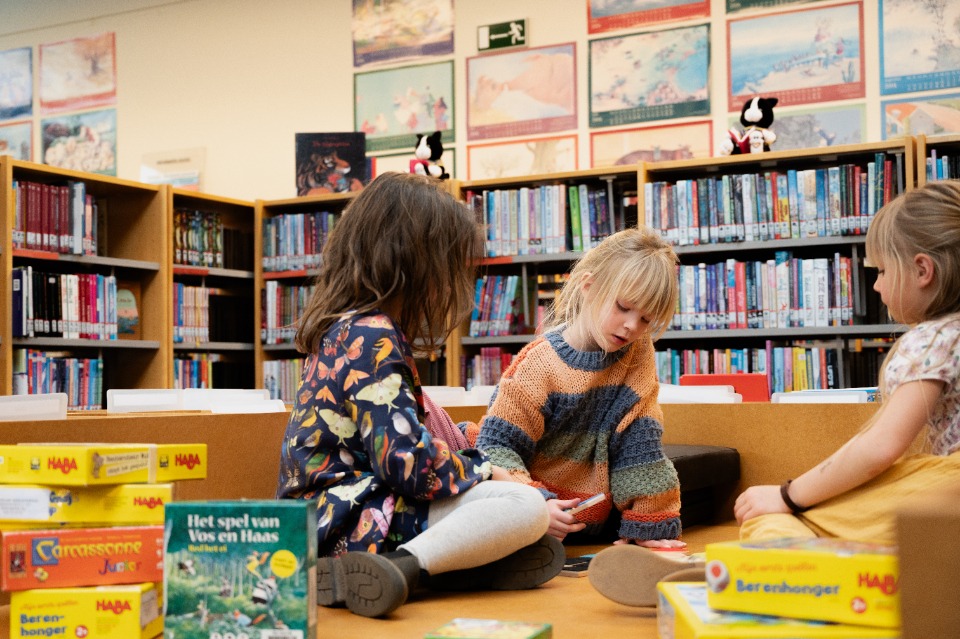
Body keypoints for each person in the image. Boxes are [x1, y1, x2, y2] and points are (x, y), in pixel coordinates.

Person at [275, 172, 563, 619]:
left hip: (341, 515)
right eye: (447, 264)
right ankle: (401, 569)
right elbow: (405, 464)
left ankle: (442, 567)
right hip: (349, 522)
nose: (449, 283)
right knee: (523, 507)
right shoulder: (372, 335)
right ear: (412, 261)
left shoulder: (349, 328)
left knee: (513, 517)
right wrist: (486, 471)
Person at [465, 227, 699, 606]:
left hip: (585, 515)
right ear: (588, 286)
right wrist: (534, 506)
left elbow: (640, 439)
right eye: (623, 307)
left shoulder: (638, 352)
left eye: (646, 319)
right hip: (526, 498)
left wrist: (649, 522)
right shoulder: (540, 363)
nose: (631, 326)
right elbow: (497, 448)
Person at [734, 179, 960, 543]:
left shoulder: (933, 339)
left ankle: (781, 573)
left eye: (882, 271)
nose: (876, 287)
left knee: (777, 517)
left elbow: (880, 448)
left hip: (948, 487)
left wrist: (786, 495)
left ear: (922, 271)